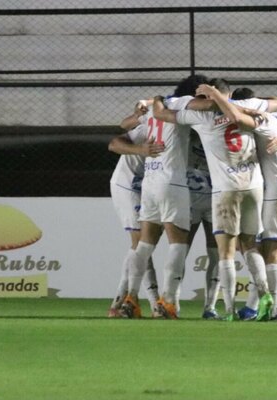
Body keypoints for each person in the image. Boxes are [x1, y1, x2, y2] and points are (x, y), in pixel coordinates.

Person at [152, 78, 277, 321]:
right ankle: (266, 298)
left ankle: (230, 310)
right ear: (230, 94)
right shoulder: (246, 106)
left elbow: (162, 115)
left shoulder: (201, 117)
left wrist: (158, 99)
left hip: (226, 189)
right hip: (254, 186)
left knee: (225, 253)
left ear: (206, 97)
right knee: (250, 244)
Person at [197, 85, 277, 322]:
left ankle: (276, 309)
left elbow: (235, 117)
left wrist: (218, 98)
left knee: (270, 253)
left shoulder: (260, 121)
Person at [120, 74, 210, 319]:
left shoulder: (154, 111)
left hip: (150, 180)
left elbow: (124, 126)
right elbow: (204, 106)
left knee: (145, 244)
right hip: (172, 182)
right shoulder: (182, 104)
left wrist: (151, 100)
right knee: (177, 242)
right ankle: (167, 302)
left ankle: (131, 297)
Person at [106, 114, 165, 318]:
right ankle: (154, 303)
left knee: (140, 246)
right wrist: (141, 150)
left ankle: (120, 302)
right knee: (141, 242)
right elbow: (114, 144)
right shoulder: (154, 126)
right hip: (127, 185)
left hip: (149, 188)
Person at [186, 131, 220, 319]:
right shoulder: (187, 132)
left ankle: (210, 306)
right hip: (190, 199)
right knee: (181, 250)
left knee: (216, 252)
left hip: (215, 199)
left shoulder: (220, 130)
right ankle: (171, 303)